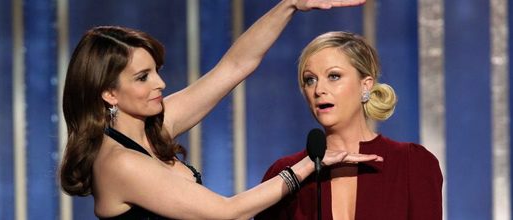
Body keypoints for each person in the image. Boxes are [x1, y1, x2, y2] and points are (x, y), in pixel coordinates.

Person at [57, 1, 384, 219]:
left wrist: (289, 6)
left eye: (156, 70)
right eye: (143, 77)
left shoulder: (155, 125)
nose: (160, 83)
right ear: (110, 93)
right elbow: (229, 213)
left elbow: (235, 66)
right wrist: (308, 167)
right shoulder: (119, 162)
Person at [256, 31, 443, 220]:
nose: (319, 90)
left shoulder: (412, 164)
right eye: (310, 80)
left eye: (334, 76)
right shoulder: (285, 173)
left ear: (366, 85)